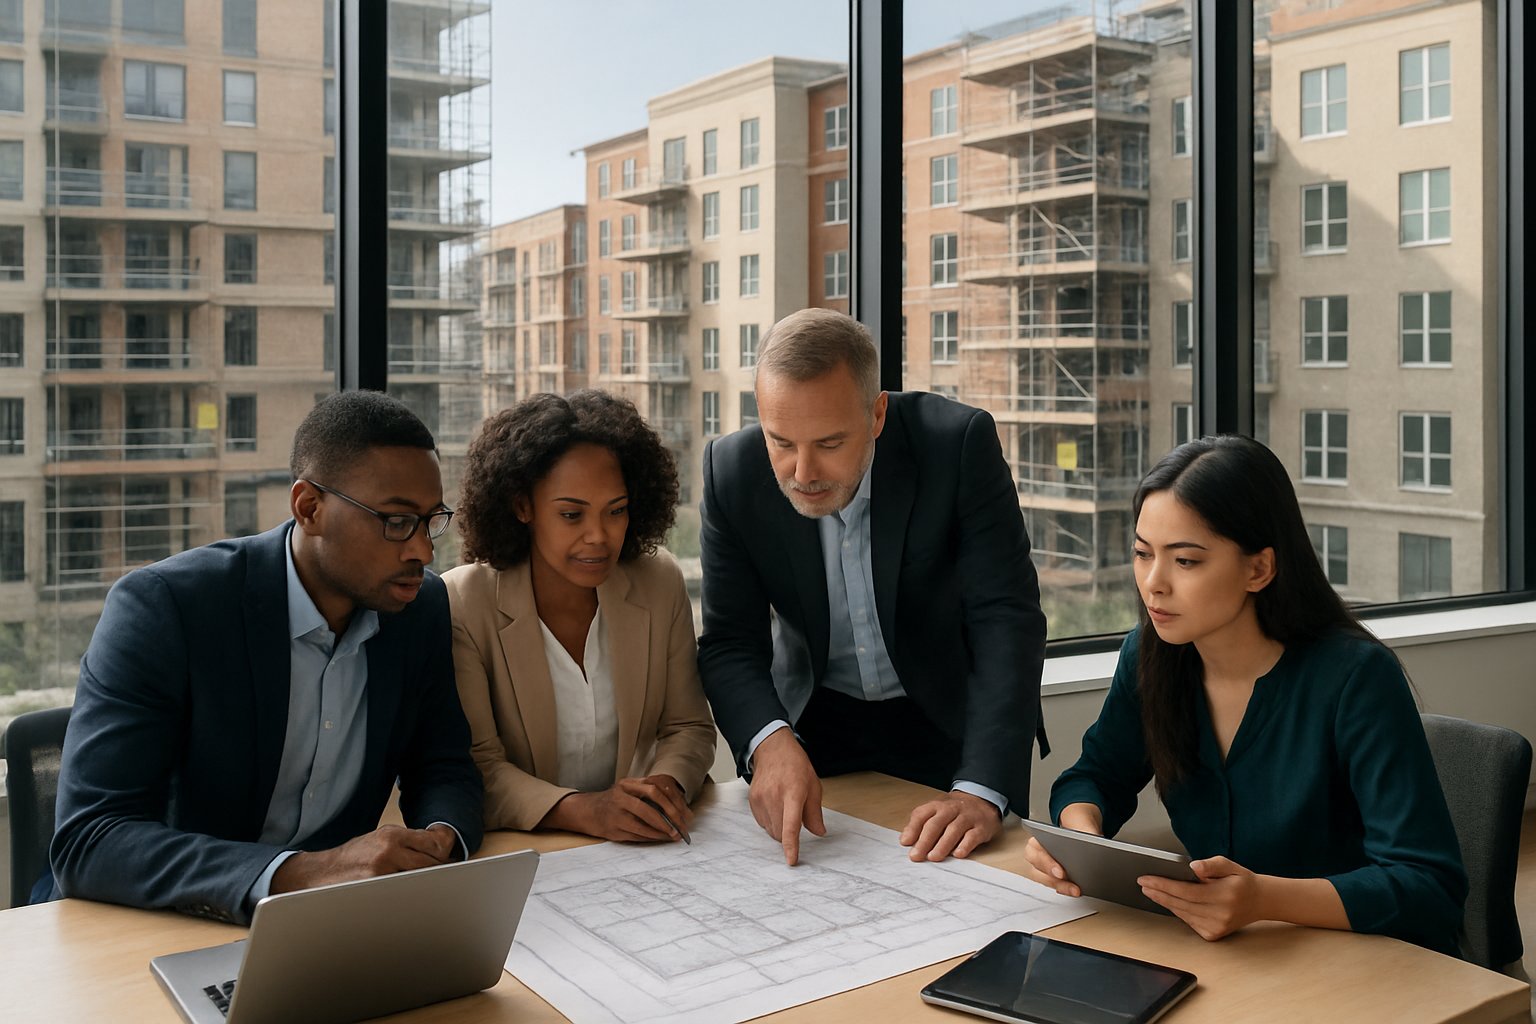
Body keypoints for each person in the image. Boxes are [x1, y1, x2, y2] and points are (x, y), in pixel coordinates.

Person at [48, 391, 484, 923]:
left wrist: (440, 844)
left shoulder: (418, 608)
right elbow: (92, 839)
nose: (423, 550)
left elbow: (443, 766)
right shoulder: (167, 607)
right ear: (309, 508)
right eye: (396, 521)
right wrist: (301, 873)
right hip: (151, 924)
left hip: (327, 925)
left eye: (431, 520)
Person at [1025, 435, 1467, 955]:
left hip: (1367, 959)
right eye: (1143, 554)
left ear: (1259, 568)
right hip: (1235, 954)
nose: (1153, 583)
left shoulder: (1357, 678)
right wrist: (1082, 840)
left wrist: (1262, 899)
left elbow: (1427, 887)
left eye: (1185, 561)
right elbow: (1096, 775)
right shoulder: (1152, 654)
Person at [698, 308, 1048, 866]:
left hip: (951, 722)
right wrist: (768, 741)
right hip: (813, 727)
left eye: (830, 443)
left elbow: (1005, 618)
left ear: (877, 413)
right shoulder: (732, 472)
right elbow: (729, 642)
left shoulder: (955, 444)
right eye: (781, 441)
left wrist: (981, 787)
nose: (803, 471)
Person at [443, 390, 716, 842]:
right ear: (522, 506)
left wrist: (662, 789)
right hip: (530, 850)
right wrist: (587, 811)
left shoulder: (658, 581)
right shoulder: (463, 603)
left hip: (645, 847)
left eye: (617, 511)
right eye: (572, 515)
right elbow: (480, 769)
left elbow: (688, 726)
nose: (599, 537)